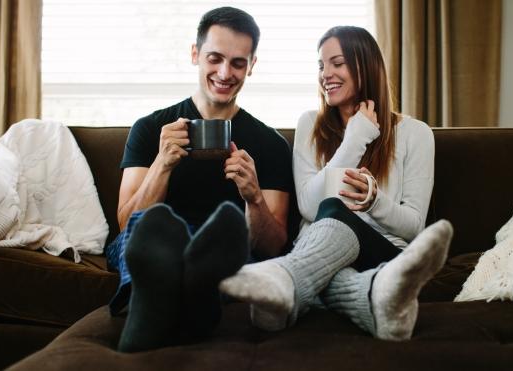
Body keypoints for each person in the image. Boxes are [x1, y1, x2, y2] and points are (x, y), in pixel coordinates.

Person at [220, 26, 453, 340]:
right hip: (323, 256)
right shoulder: (309, 126)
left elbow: (412, 227)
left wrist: (375, 202)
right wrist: (356, 139)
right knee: (329, 213)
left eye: (337, 63)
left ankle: (285, 280)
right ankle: (373, 295)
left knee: (333, 206)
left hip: (382, 254)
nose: (325, 74)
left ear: (365, 66)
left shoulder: (416, 133)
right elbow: (309, 207)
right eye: (321, 65)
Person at [106, 7, 293, 352]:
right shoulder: (151, 129)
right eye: (215, 58)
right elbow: (124, 223)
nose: (225, 72)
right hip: (156, 242)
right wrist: (162, 164)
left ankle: (157, 308)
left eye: (238, 63)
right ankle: (193, 298)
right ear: (195, 55)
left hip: (221, 246)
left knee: (227, 245)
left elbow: (274, 245)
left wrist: (253, 197)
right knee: (145, 233)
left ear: (252, 65)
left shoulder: (270, 144)